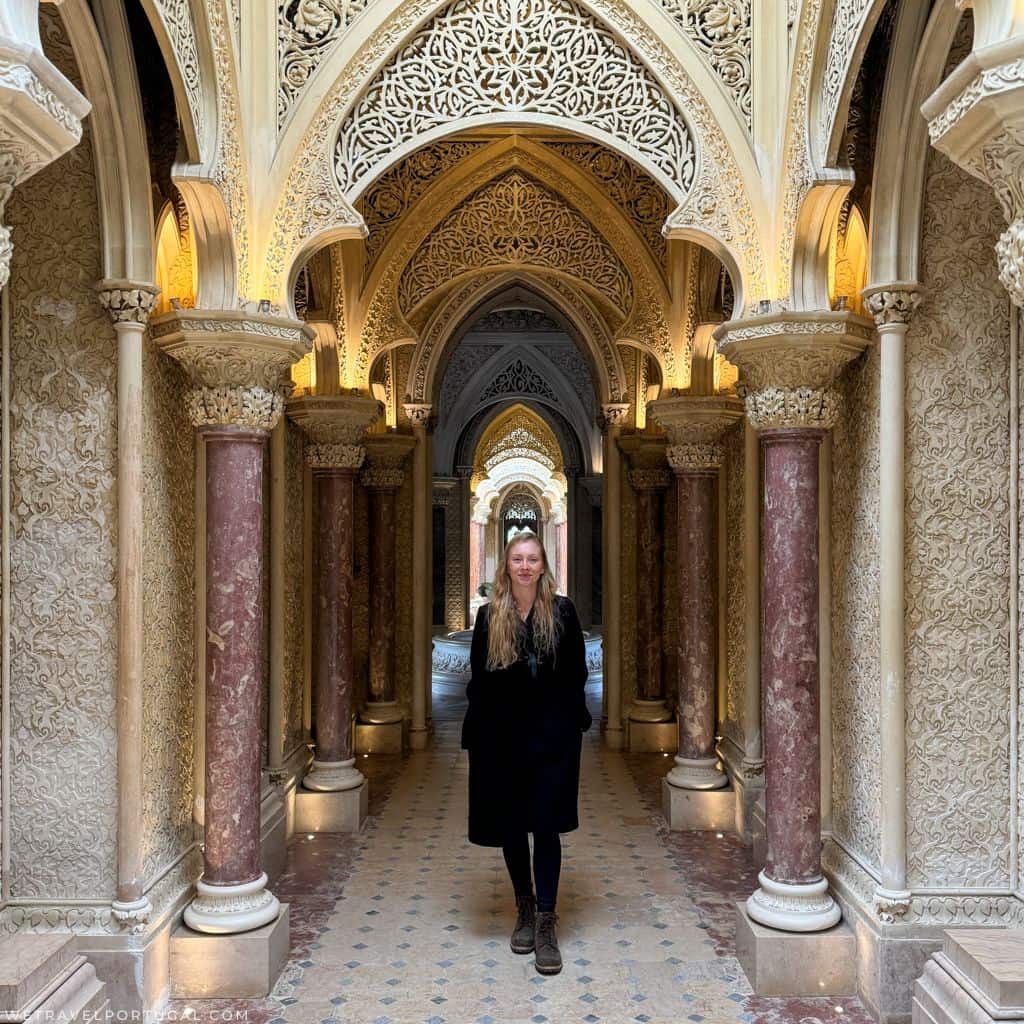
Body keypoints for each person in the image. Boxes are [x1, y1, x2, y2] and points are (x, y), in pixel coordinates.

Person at [460, 531, 592, 975]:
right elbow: (479, 680)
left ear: (543, 566)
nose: (524, 566)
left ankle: (547, 921)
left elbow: (577, 673)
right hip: (503, 741)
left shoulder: (562, 612)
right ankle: (525, 906)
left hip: (552, 740)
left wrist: (572, 723)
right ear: (506, 565)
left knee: (547, 826)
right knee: (513, 826)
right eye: (517, 558)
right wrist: (478, 735)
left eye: (532, 559)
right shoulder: (488, 616)